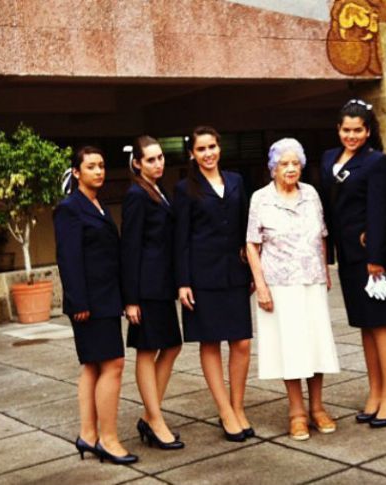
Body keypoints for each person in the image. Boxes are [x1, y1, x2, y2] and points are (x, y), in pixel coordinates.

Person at [245, 138, 341, 441]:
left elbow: (322, 236)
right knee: (290, 348)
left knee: (316, 346)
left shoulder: (311, 194)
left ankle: (317, 408)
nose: (290, 169)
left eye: (295, 164)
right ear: (273, 168)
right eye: (284, 164)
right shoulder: (261, 198)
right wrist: (260, 286)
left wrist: (324, 269)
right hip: (279, 283)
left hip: (311, 280)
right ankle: (296, 412)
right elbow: (251, 244)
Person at [319, 99, 386, 428]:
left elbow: (380, 210)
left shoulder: (378, 162)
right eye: (346, 130)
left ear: (368, 131)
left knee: (381, 323)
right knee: (365, 326)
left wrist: (376, 258)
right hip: (348, 255)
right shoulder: (329, 158)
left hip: (373, 257)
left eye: (358, 130)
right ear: (338, 130)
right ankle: (374, 391)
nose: (351, 135)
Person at [54, 146, 138, 464]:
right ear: (76, 173)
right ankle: (109, 439)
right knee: (113, 364)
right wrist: (79, 302)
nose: (99, 171)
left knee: (92, 365)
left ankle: (88, 436)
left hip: (104, 298)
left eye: (102, 166)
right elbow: (69, 258)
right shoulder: (70, 208)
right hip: (89, 302)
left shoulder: (96, 204)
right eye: (91, 167)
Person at [174, 126, 254, 442]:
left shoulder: (236, 181)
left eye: (212, 147)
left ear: (220, 148)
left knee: (242, 342)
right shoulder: (184, 189)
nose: (208, 154)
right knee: (211, 343)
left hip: (235, 272)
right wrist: (182, 282)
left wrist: (252, 271)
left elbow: (247, 227)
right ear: (192, 154)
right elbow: (180, 238)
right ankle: (224, 411)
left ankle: (238, 406)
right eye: (201, 149)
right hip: (202, 275)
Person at [120, 136, 184, 450]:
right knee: (148, 350)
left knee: (172, 346)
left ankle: (150, 415)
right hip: (145, 289)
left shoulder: (157, 190)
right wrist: (130, 299)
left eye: (160, 158)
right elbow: (129, 248)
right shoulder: (136, 195)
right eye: (151, 160)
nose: (158, 164)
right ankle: (155, 420)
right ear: (137, 164)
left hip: (161, 287)